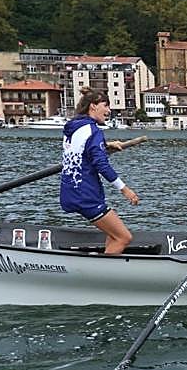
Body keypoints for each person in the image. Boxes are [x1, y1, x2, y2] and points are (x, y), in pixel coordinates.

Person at [60, 88, 140, 255]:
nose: (109, 110)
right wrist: (125, 190)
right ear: (93, 106)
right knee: (124, 237)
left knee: (114, 234)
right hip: (85, 195)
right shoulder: (93, 131)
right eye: (106, 105)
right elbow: (101, 165)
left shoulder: (74, 127)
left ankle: (107, 261)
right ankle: (106, 275)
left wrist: (105, 144)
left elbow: (82, 147)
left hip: (71, 191)